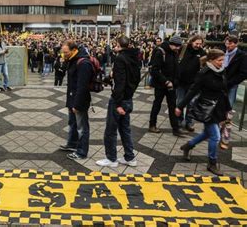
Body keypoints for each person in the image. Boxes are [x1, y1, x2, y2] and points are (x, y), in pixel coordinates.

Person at [175, 49, 231, 176]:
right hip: (207, 108)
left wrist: (228, 108)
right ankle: (212, 162)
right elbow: (193, 90)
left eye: (223, 60)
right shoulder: (203, 73)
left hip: (219, 108)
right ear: (211, 60)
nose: (222, 63)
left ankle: (188, 146)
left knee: (207, 133)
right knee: (215, 136)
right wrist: (180, 106)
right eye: (219, 60)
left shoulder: (222, 71)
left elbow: (224, 91)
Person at [96, 36, 141, 168]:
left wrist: (119, 103)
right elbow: (133, 78)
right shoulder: (133, 57)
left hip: (119, 100)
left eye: (115, 44)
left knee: (111, 130)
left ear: (119, 45)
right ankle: (130, 157)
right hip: (128, 98)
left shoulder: (120, 59)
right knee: (125, 129)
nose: (114, 46)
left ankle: (111, 158)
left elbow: (120, 82)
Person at [59, 41, 92, 160]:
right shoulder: (72, 59)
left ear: (74, 50)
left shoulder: (83, 63)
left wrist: (76, 105)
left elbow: (82, 87)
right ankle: (72, 144)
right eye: (63, 52)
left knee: (82, 127)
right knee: (72, 123)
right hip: (72, 98)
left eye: (66, 52)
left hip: (79, 101)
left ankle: (82, 152)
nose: (64, 54)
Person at [148, 36, 185, 137]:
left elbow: (176, 68)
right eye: (176, 46)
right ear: (171, 44)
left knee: (172, 106)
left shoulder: (175, 53)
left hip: (172, 85)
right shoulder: (161, 52)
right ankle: (152, 124)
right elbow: (155, 70)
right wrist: (166, 81)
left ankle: (175, 128)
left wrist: (176, 80)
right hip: (160, 84)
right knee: (157, 104)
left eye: (179, 46)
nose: (178, 48)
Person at [177, 35, 206, 132]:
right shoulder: (183, 49)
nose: (198, 45)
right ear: (191, 42)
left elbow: (205, 67)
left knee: (191, 104)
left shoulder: (202, 53)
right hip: (181, 82)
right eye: (196, 43)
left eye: (200, 44)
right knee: (180, 101)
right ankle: (179, 120)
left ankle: (188, 122)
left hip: (193, 83)